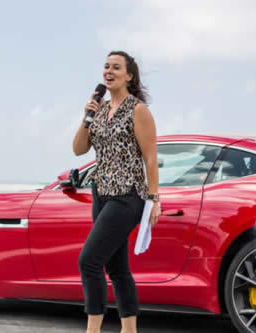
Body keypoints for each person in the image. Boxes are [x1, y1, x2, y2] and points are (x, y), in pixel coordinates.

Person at [72, 51, 161, 333]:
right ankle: (129, 330)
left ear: (129, 76)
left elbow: (150, 158)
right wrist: (86, 117)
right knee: (117, 268)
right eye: (106, 66)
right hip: (101, 193)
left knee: (89, 261)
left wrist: (154, 199)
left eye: (116, 67)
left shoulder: (138, 110)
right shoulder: (98, 109)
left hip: (128, 194)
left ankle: (92, 330)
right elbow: (78, 149)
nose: (109, 71)